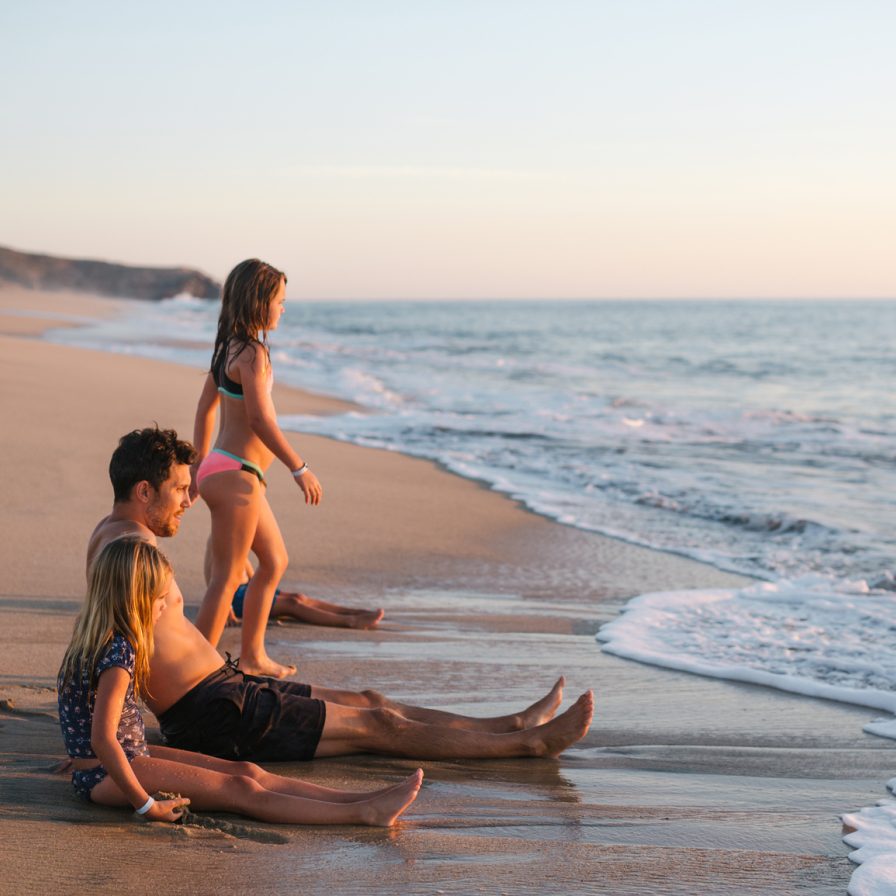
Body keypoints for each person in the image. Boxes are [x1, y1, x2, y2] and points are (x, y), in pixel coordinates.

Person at [89, 427, 594, 763]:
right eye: (179, 489)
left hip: (226, 689)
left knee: (370, 701)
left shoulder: (113, 536)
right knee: (379, 725)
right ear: (143, 491)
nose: (189, 500)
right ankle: (527, 744)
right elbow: (117, 653)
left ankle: (511, 722)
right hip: (219, 716)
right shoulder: (133, 555)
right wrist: (105, 734)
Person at [60, 537, 423, 826]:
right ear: (135, 599)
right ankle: (363, 813)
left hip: (120, 758)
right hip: (108, 773)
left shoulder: (92, 636)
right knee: (239, 788)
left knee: (246, 770)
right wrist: (145, 805)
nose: (164, 608)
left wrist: (84, 758)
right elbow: (102, 737)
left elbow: (88, 726)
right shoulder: (119, 653)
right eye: (159, 600)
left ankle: (359, 799)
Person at [191, 259, 321, 678]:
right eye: (280, 301)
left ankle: (251, 655)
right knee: (228, 580)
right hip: (237, 475)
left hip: (226, 470)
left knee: (274, 561)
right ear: (260, 302)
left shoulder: (228, 347)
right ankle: (195, 672)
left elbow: (205, 407)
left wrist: (199, 464)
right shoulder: (253, 352)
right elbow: (261, 420)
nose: (284, 309)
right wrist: (298, 467)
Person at [204, 538, 384, 630]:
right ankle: (350, 621)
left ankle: (354, 612)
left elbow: (246, 567)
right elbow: (215, 577)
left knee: (298, 597)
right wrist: (226, 607)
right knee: (292, 605)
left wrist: (261, 588)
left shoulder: (236, 530)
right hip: (236, 599)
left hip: (245, 590)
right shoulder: (221, 536)